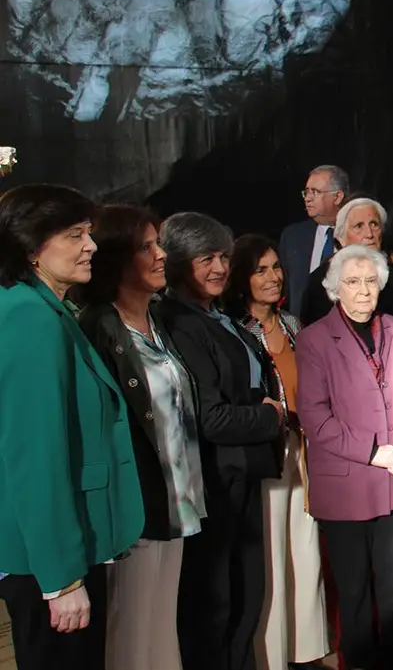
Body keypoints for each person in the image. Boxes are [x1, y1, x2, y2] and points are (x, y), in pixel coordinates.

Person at [0, 185, 144, 670]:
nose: (92, 245)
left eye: (90, 232)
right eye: (75, 234)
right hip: (50, 561)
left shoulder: (45, 311)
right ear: (31, 246)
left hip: (64, 548)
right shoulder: (29, 318)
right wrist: (61, 580)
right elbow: (35, 458)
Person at [76, 205, 206, 670]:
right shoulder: (96, 328)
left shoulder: (157, 323)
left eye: (159, 244)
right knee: (128, 635)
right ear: (116, 258)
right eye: (146, 246)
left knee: (158, 630)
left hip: (177, 500)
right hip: (134, 510)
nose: (160, 255)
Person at [159, 212, 286, 670]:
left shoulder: (215, 314)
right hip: (215, 479)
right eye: (204, 259)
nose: (218, 268)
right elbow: (209, 417)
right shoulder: (178, 321)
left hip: (242, 473)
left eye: (223, 257)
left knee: (245, 595)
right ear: (175, 263)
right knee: (215, 606)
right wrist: (269, 417)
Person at [298, 245, 393, 670]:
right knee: (353, 585)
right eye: (352, 282)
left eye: (370, 281)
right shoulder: (314, 338)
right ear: (335, 289)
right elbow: (315, 417)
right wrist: (374, 452)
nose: (362, 291)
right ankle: (357, 659)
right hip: (347, 476)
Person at [224, 235, 330, 670]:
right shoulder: (231, 329)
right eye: (260, 269)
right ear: (241, 278)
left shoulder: (292, 324)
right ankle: (271, 656)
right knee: (269, 557)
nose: (273, 277)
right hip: (263, 452)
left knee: (305, 550)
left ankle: (309, 649)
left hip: (302, 449)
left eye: (275, 267)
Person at [300, 197, 393, 325]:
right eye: (359, 226)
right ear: (341, 238)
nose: (369, 234)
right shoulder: (320, 282)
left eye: (374, 224)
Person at [279, 165, 349, 317]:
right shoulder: (293, 237)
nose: (308, 198)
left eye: (315, 192)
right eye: (306, 192)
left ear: (337, 197)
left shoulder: (357, 234)